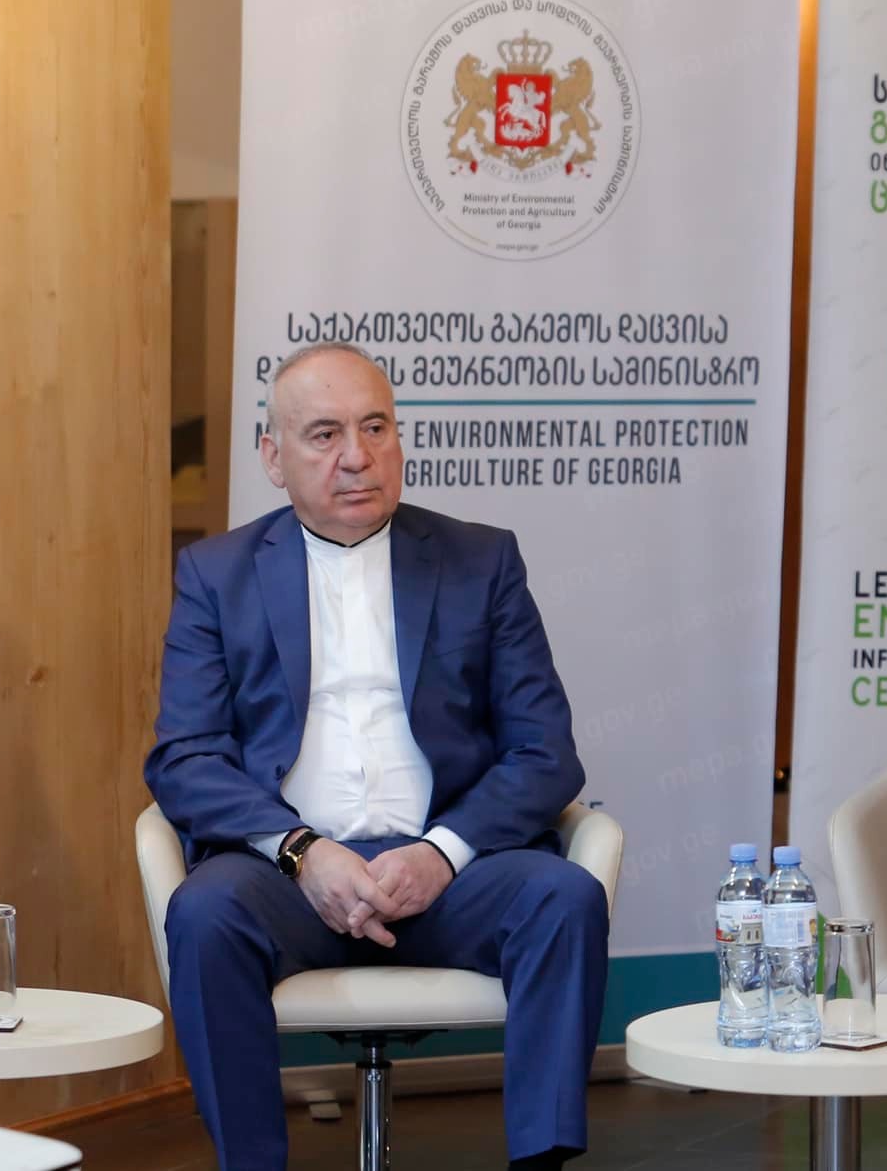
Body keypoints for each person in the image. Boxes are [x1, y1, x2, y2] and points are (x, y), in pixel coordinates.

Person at [145, 342, 607, 1171]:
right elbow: (186, 758)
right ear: (273, 457)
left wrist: (441, 853)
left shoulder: (481, 561)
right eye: (324, 435)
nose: (356, 456)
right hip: (286, 878)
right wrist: (303, 852)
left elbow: (545, 752)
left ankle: (541, 1161)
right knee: (205, 915)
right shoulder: (216, 575)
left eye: (375, 427)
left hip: (450, 875)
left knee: (564, 897)